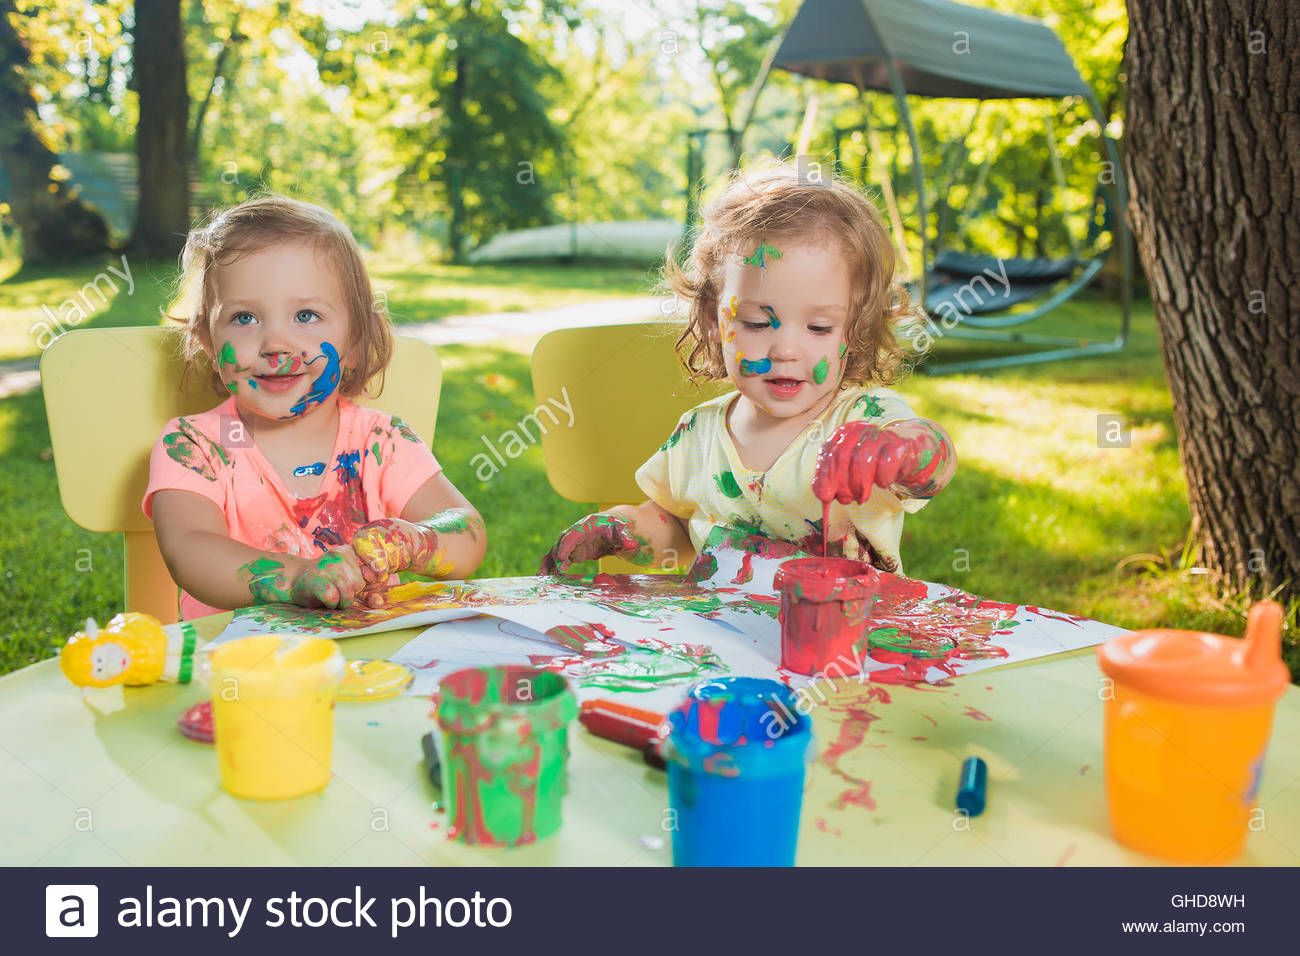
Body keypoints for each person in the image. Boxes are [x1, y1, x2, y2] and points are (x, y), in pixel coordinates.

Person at [540, 162, 955, 575]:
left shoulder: (866, 419)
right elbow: (679, 533)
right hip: (724, 632)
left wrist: (898, 452)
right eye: (757, 323)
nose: (787, 349)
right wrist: (626, 529)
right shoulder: (696, 433)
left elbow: (933, 463)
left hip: (846, 634)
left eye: (819, 327)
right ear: (712, 318)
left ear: (854, 328)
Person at [144, 195, 485, 618]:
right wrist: (297, 578)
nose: (276, 345)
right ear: (209, 344)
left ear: (357, 342)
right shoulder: (195, 446)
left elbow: (467, 531)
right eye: (245, 318)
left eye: (306, 316)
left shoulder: (381, 441)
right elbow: (190, 548)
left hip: (371, 670)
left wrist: (414, 541)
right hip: (238, 669)